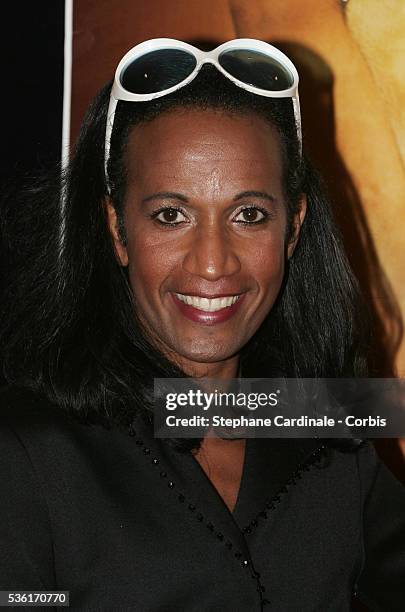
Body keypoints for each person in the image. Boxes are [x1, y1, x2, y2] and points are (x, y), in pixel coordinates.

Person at [0, 38, 404, 611]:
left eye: (249, 215)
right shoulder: (25, 449)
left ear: (293, 229)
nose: (212, 262)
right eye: (171, 214)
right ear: (117, 229)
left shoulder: (326, 426)